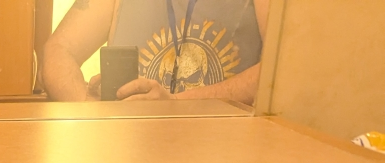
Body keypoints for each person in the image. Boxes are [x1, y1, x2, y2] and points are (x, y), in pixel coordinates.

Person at [42, 0, 269, 103]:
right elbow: (58, 48)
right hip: (127, 158)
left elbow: (279, 73)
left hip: (224, 158)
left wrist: (175, 103)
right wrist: (84, 102)